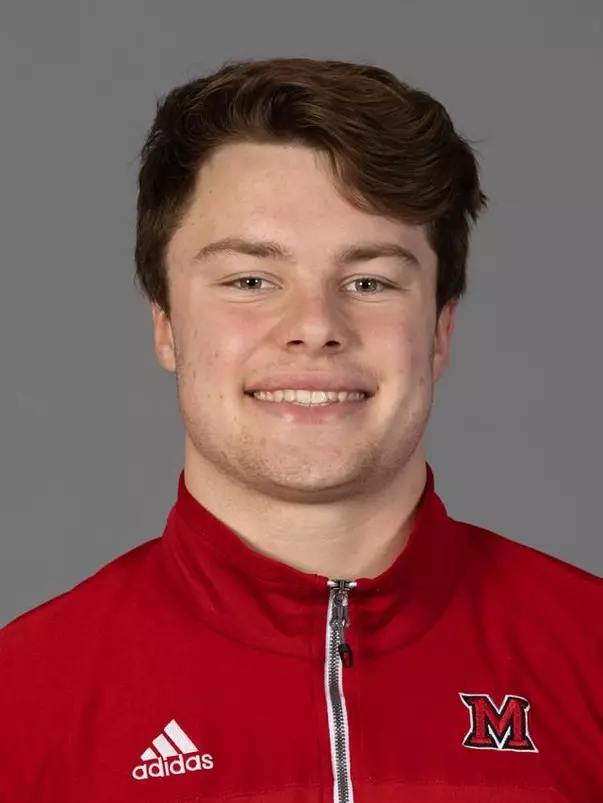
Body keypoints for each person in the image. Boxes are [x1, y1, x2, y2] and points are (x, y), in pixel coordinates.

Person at [0, 56, 601, 803]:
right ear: (166, 325)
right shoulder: (18, 704)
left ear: (439, 329)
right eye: (250, 280)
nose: (315, 327)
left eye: (370, 281)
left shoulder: (591, 657)